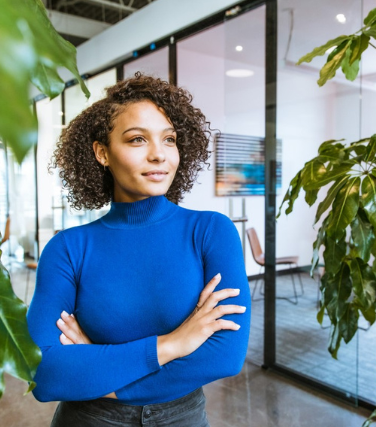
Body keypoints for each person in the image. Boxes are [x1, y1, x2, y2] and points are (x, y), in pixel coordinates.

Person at [26, 72, 251, 427]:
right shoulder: (68, 248)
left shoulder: (210, 231)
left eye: (169, 139)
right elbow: (44, 373)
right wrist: (174, 344)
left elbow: (224, 357)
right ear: (102, 152)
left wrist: (98, 368)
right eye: (136, 140)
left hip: (181, 418)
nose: (159, 155)